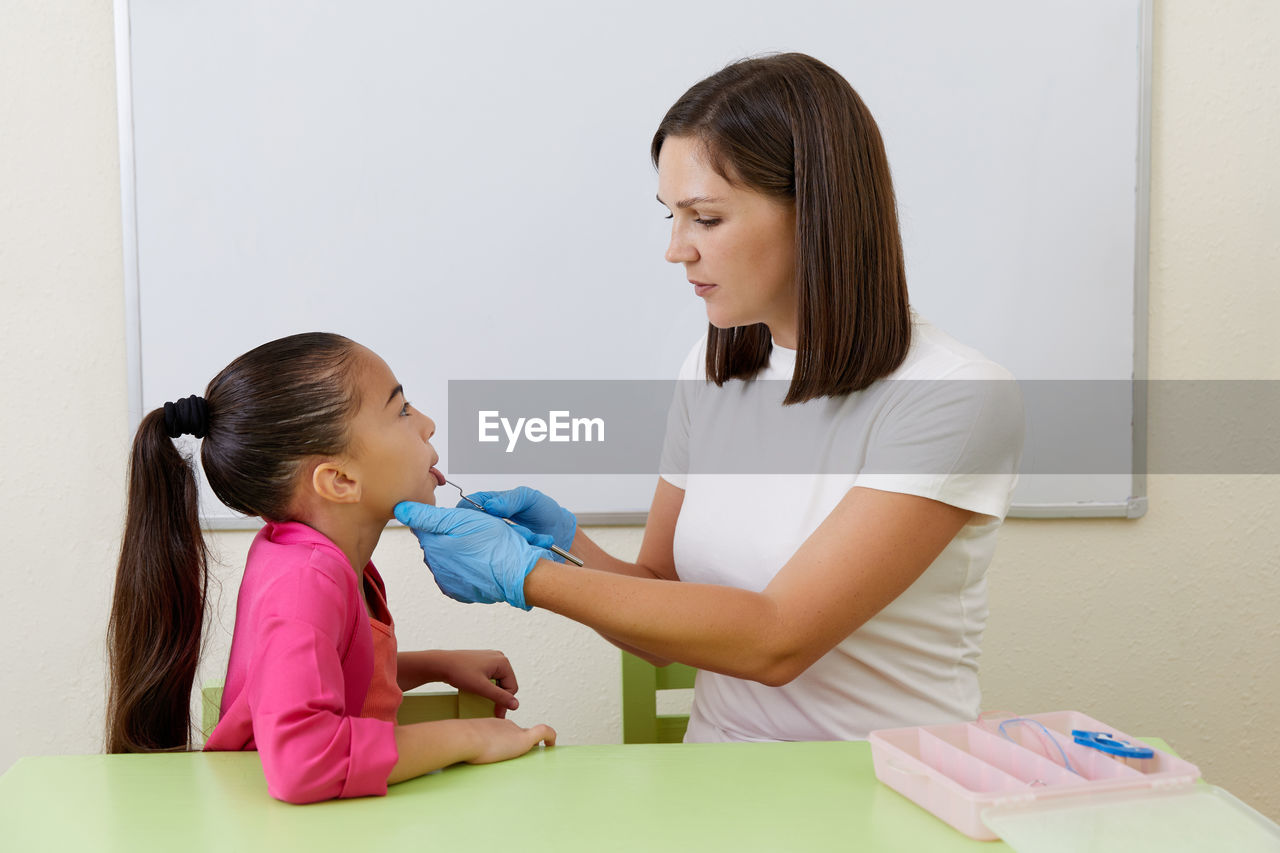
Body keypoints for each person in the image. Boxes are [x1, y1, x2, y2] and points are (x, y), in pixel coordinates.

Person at [396, 53, 1024, 743]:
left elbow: (776, 641)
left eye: (705, 218)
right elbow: (662, 611)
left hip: (882, 786)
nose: (676, 250)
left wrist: (531, 575)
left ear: (815, 212)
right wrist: (565, 544)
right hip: (715, 775)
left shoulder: (952, 395)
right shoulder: (718, 366)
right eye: (671, 216)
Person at [105, 332, 555, 803]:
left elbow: (327, 676)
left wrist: (433, 666)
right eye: (401, 410)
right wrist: (471, 738)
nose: (427, 425)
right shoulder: (306, 582)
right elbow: (305, 764)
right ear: (339, 480)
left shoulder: (328, 563)